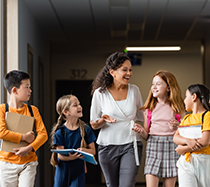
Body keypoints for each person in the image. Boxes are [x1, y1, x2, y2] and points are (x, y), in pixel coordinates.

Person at [90, 52, 144, 187]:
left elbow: (144, 116)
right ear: (112, 72)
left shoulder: (134, 90)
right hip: (107, 146)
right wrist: (103, 120)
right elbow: (93, 124)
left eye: (130, 69)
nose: (129, 73)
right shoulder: (100, 93)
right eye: (124, 70)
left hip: (131, 144)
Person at [132, 70, 185, 187]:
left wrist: (178, 126)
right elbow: (146, 136)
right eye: (153, 84)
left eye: (158, 84)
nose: (154, 87)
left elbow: (186, 132)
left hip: (172, 146)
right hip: (153, 146)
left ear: (169, 88)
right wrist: (141, 131)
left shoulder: (178, 108)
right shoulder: (148, 109)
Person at [0, 70, 48, 187]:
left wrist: (29, 148)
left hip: (28, 163)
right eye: (27, 87)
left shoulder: (33, 110)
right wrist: (24, 137)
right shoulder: (2, 109)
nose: (30, 90)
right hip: (6, 163)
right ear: (14, 90)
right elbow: (1, 132)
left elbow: (43, 134)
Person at [50, 94, 96, 187]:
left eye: (79, 104)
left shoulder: (86, 129)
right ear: (66, 112)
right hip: (62, 171)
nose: (80, 107)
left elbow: (93, 151)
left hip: (78, 171)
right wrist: (72, 157)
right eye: (75, 105)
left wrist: (83, 150)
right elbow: (60, 156)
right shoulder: (60, 132)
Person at [173, 84, 210, 187]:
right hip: (186, 162)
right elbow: (176, 137)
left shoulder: (207, 116)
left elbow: (205, 141)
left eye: (186, 96)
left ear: (193, 97)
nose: (184, 100)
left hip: (204, 162)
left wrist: (184, 149)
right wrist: (188, 141)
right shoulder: (186, 118)